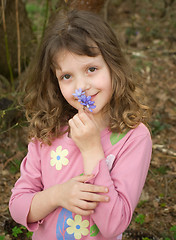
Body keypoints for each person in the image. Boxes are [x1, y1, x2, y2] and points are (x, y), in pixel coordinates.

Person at [9, 10, 152, 240]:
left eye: (91, 69)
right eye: (67, 76)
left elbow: (114, 224)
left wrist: (92, 149)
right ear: (55, 82)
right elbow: (17, 206)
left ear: (113, 66)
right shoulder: (49, 129)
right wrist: (57, 195)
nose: (81, 87)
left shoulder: (133, 137)